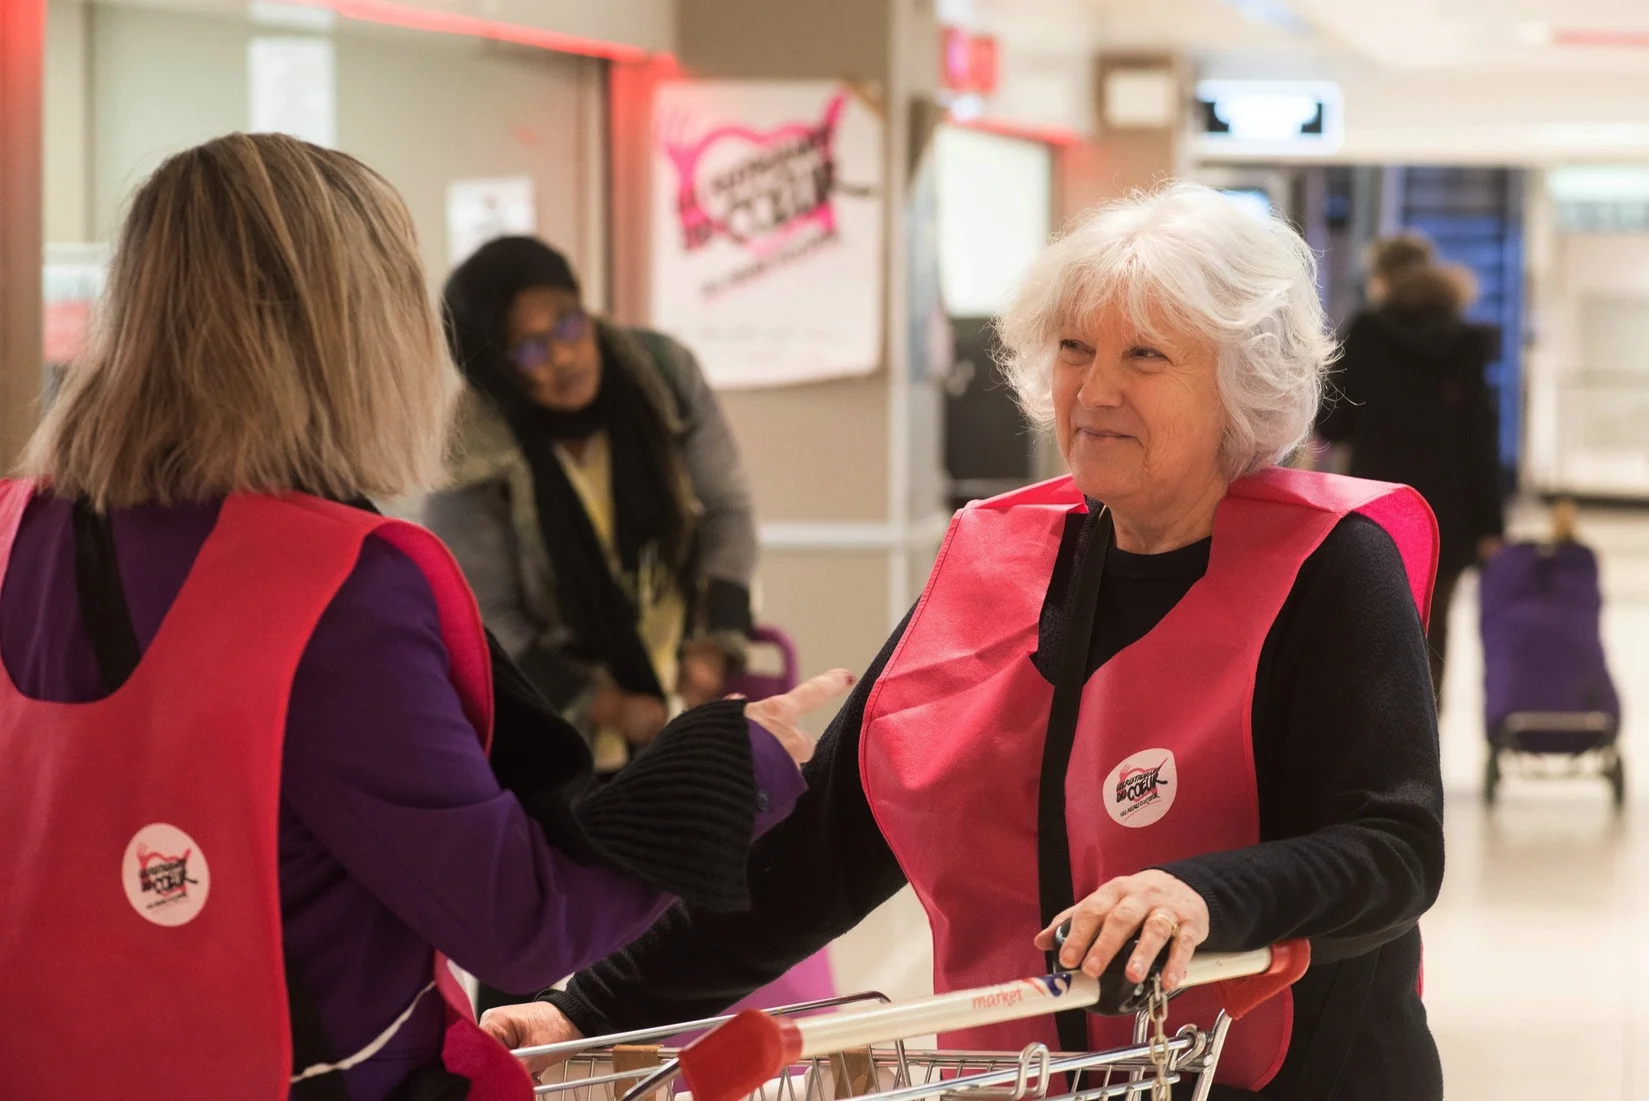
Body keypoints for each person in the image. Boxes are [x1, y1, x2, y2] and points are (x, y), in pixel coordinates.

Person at [483, 183, 1447, 1101]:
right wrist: (584, 1008)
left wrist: (1202, 892)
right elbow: (818, 852)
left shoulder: (1326, 566)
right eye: (1074, 348)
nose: (1095, 388)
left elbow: (1392, 848)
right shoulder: (999, 566)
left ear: (1243, 381)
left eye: (1145, 356)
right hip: (1026, 1076)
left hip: (1293, 1074)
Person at [0, 132, 850, 1101]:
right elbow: (515, 916)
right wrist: (733, 769)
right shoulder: (333, 590)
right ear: (356, 330)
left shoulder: (18, 530)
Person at [426, 238, 757, 773]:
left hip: (682, 691)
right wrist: (609, 708)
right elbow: (486, 618)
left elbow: (728, 508)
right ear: (500, 370)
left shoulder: (662, 374)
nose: (564, 355)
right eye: (530, 348)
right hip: (553, 734)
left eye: (568, 323)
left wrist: (711, 647)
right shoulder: (472, 451)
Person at [1319, 236, 1505, 699]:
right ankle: (1427, 735)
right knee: (1433, 622)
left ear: (1381, 278)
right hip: (1449, 512)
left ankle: (1377, 733)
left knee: (1371, 619)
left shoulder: (1367, 333)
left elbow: (1334, 422)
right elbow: (1480, 438)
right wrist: (1491, 523)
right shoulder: (1464, 342)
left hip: (1378, 507)